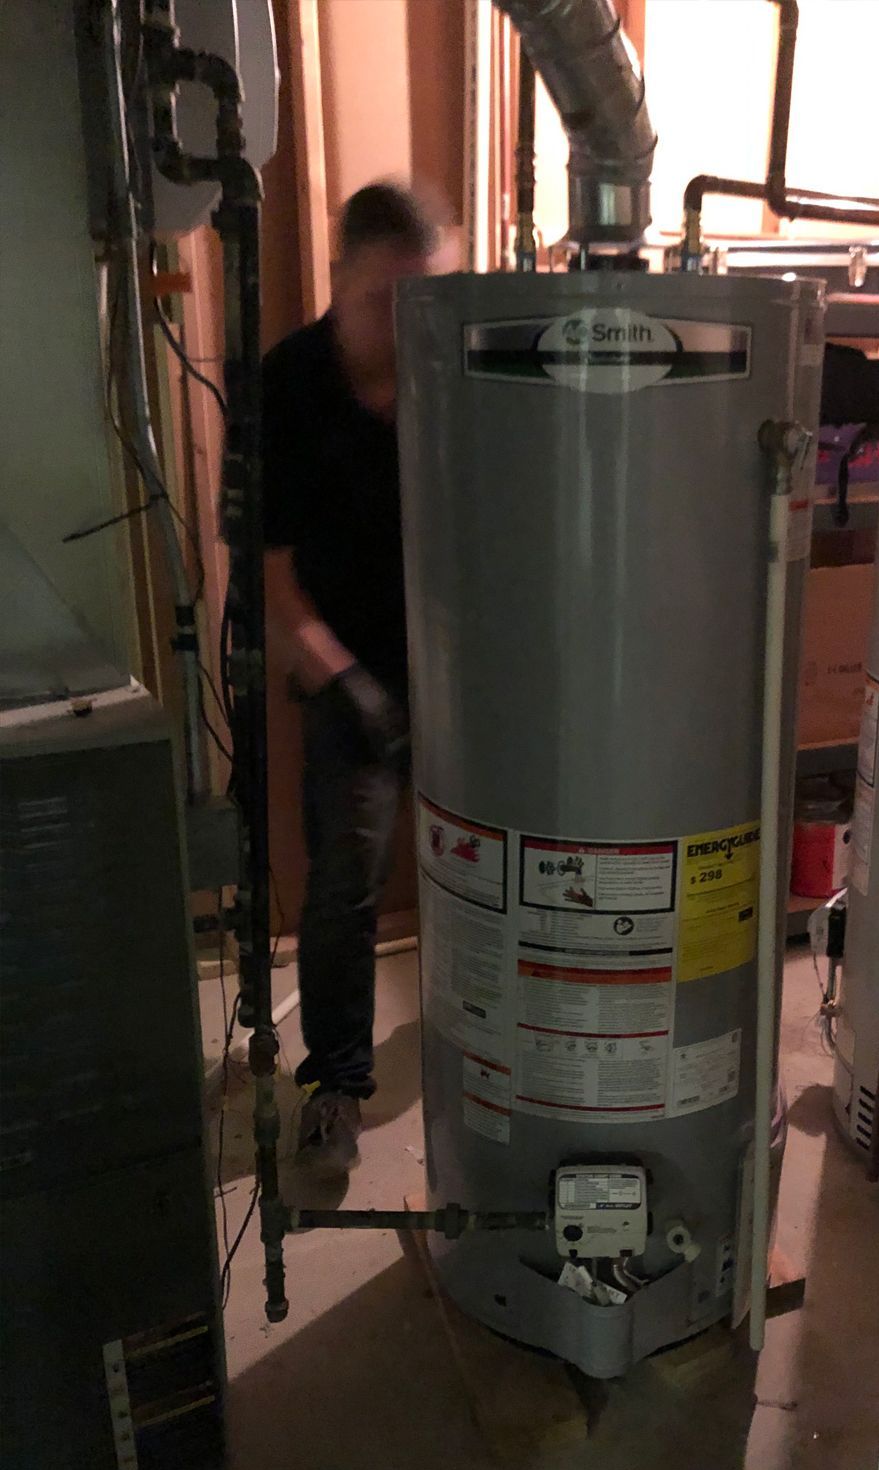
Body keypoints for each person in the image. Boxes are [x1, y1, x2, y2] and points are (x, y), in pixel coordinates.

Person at [262, 182, 439, 1177]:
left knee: (493, 862)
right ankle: (336, 1085)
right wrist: (348, 687)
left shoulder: (452, 370)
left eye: (424, 301)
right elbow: (274, 574)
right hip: (347, 672)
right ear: (340, 282)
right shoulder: (290, 382)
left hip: (458, 661)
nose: (404, 325)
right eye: (384, 302)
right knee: (345, 885)